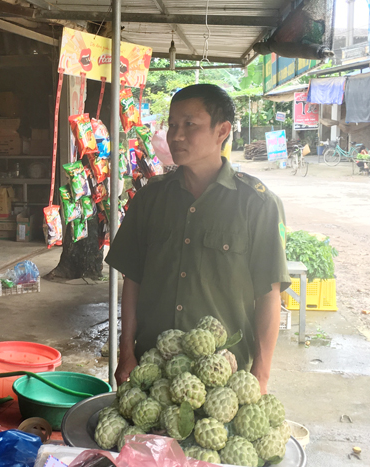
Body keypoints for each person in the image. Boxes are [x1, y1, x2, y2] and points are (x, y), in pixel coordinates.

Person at [106, 84, 291, 394]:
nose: (176, 135)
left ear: (222, 130)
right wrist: (126, 352)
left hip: (223, 375)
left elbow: (269, 295)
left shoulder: (258, 204)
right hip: (153, 368)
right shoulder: (150, 198)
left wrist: (261, 374)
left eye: (189, 124)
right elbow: (132, 281)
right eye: (173, 124)